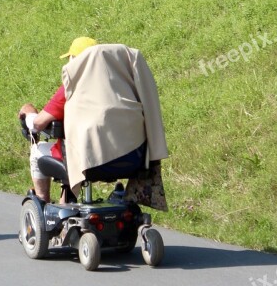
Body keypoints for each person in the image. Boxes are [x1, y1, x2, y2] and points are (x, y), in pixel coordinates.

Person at [61, 41, 168, 208]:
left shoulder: (75, 84)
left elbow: (44, 119)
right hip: (134, 157)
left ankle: (64, 208)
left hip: (90, 162)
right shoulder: (126, 71)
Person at [18, 37, 98, 203]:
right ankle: (67, 200)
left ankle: (42, 201)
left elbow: (39, 123)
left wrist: (28, 112)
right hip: (114, 156)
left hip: (81, 157)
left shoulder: (71, 88)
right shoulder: (116, 88)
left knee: (38, 151)